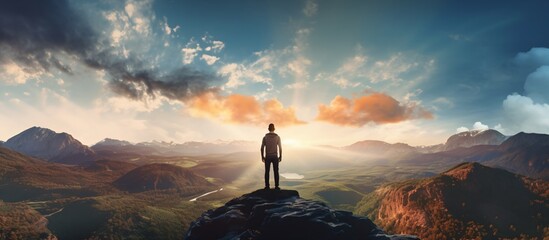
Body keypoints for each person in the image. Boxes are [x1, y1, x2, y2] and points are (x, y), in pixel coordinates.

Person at [261, 123, 282, 190]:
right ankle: (276, 186)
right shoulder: (277, 137)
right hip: (275, 156)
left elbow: (262, 148)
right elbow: (280, 147)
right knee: (276, 171)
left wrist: (262, 157)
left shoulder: (265, 137)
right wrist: (280, 156)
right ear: (274, 129)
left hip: (268, 156)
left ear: (268, 129)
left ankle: (267, 186)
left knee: (267, 171)